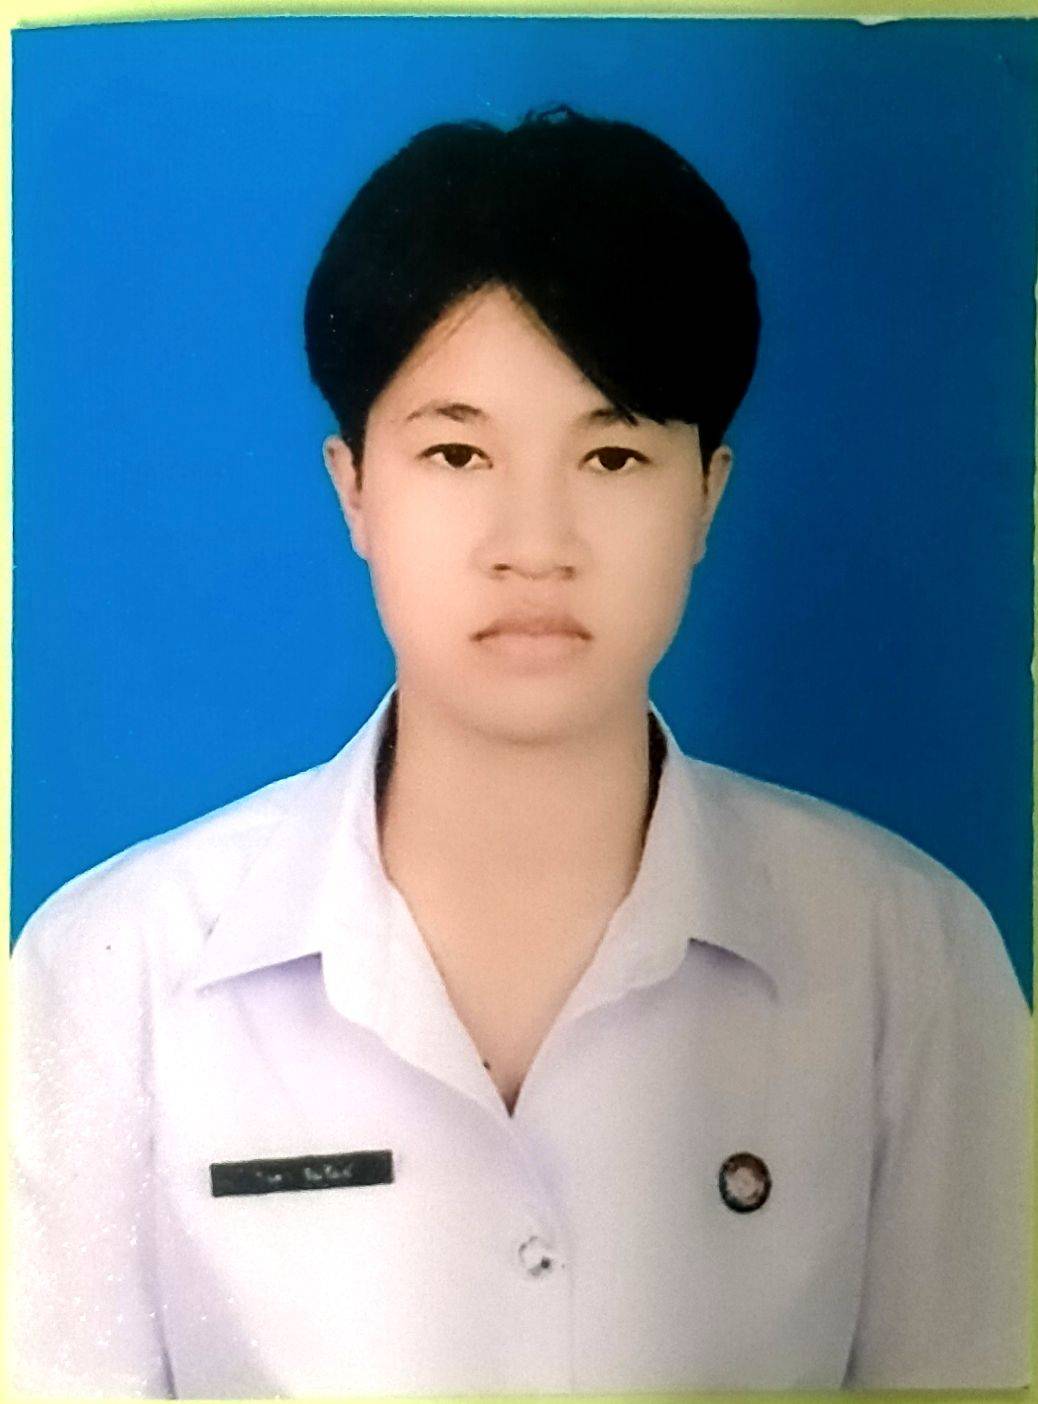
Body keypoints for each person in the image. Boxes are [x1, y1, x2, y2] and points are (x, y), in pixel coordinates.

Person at [9, 106, 1030, 1397]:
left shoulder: (908, 958)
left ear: (706, 495)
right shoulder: (114, 975)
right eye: (456, 451)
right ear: (354, 489)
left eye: (611, 453)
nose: (533, 541)